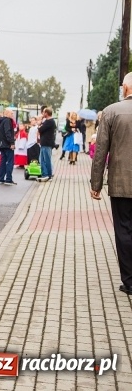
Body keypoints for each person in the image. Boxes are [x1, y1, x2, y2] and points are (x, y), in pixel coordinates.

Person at [90, 72, 132, 295]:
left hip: (121, 183)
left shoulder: (111, 112)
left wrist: (96, 184)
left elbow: (101, 152)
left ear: (125, 88)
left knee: (124, 230)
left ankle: (129, 281)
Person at [0, 108, 17, 185]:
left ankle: (1, 179)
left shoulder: (1, 121)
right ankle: (8, 179)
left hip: (1, 144)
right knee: (10, 161)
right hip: (7, 144)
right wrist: (12, 143)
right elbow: (8, 132)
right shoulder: (7, 121)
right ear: (7, 113)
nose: (12, 115)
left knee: (3, 161)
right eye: (11, 113)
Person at [37, 107, 57, 182]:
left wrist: (40, 124)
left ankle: (48, 175)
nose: (42, 114)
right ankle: (44, 174)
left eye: (44, 112)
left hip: (47, 143)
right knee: (41, 159)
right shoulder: (47, 121)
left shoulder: (50, 122)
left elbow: (40, 129)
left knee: (46, 159)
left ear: (46, 113)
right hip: (44, 143)